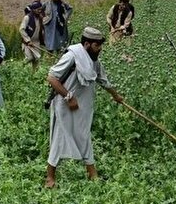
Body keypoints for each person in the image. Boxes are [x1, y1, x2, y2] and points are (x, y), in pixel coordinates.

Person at [45, 26, 123, 188]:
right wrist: (68, 97)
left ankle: (92, 174)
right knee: (59, 138)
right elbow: (52, 78)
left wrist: (115, 95)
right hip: (65, 105)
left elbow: (103, 80)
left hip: (82, 107)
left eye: (100, 45)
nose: (100, 49)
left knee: (84, 136)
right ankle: (50, 178)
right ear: (87, 44)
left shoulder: (94, 61)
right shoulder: (72, 56)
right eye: (97, 45)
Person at [19, 1, 45, 71]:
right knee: (30, 58)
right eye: (38, 9)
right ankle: (20, 68)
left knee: (37, 59)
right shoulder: (27, 18)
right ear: (33, 9)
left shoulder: (40, 18)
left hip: (36, 42)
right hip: (28, 42)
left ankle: (34, 75)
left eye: (40, 9)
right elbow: (21, 29)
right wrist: (28, 40)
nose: (40, 11)